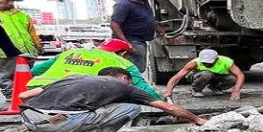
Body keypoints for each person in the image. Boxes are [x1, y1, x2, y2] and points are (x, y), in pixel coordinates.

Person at [19, 67, 205, 132]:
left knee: (79, 105)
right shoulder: (123, 86)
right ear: (124, 78)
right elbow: (168, 108)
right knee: (132, 108)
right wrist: (197, 119)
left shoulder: (74, 78)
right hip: (58, 121)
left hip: (28, 117)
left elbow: (24, 96)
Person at [28, 38, 163, 100]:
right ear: (123, 53)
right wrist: (162, 102)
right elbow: (142, 88)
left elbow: (35, 71)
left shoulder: (70, 53)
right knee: (123, 99)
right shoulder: (121, 62)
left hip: (35, 95)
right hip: (70, 97)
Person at [110, 0, 165, 72]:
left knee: (139, 68)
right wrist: (126, 44)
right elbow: (114, 24)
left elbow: (146, 16)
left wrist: (156, 27)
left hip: (140, 40)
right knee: (132, 70)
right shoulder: (123, 4)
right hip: (132, 40)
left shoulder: (143, 0)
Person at [0, 3, 42, 101]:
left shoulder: (22, 15)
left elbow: (32, 33)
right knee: (6, 73)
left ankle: (26, 92)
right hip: (5, 51)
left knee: (27, 74)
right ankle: (10, 94)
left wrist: (37, 45)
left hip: (27, 50)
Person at [164, 49, 245, 99]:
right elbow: (176, 78)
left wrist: (236, 90)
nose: (206, 64)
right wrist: (168, 91)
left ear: (216, 59)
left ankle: (215, 87)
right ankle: (196, 89)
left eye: (209, 62)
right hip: (198, 76)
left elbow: (240, 75)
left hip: (216, 76)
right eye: (204, 62)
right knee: (207, 74)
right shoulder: (194, 63)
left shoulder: (226, 61)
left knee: (232, 79)